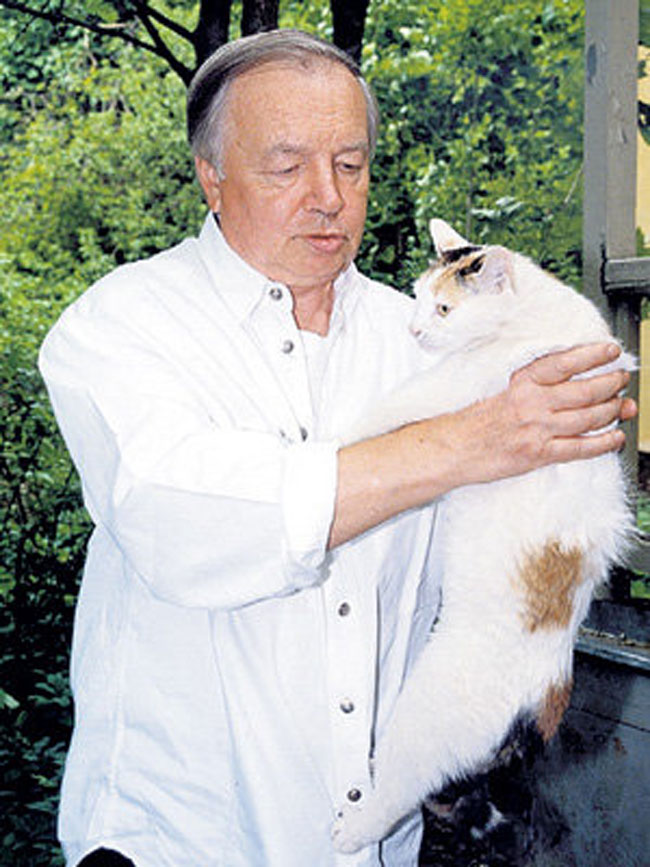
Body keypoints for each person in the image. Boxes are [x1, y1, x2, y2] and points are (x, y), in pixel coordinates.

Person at [39, 29, 635, 867]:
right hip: (175, 841)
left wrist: (562, 476)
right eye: (287, 167)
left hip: (374, 845)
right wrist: (474, 438)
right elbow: (182, 523)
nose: (327, 197)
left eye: (350, 165)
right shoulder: (122, 324)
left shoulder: (428, 338)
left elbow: (490, 574)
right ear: (211, 177)